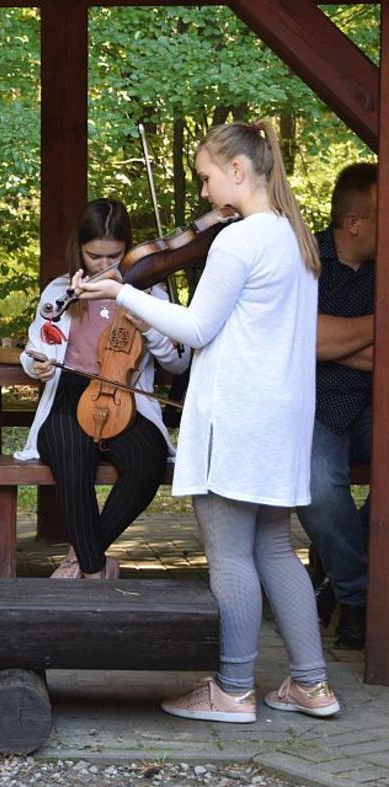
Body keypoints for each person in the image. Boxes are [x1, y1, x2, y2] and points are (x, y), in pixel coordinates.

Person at [73, 121, 340, 723]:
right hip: (281, 418)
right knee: (275, 547)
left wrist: (121, 292)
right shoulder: (296, 240)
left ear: (239, 172)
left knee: (229, 556)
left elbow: (195, 330)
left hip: (238, 418)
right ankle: (312, 685)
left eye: (207, 176)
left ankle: (234, 688)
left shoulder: (240, 242)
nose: (202, 192)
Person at [16, 198, 190, 580]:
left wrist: (149, 328)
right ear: (79, 248)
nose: (104, 265)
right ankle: (95, 569)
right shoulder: (61, 291)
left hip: (125, 397)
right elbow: (34, 348)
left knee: (149, 458)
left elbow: (178, 363)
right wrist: (38, 365)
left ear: (128, 249)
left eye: (115, 254)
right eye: (95, 255)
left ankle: (77, 559)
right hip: (68, 395)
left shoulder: (150, 294)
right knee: (69, 450)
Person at [296, 162, 376, 650]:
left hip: (371, 405)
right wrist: (376, 325)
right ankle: (359, 598)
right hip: (314, 404)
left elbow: (323, 340)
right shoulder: (307, 261)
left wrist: (330, 339)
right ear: (354, 224)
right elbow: (306, 342)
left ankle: (333, 580)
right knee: (317, 485)